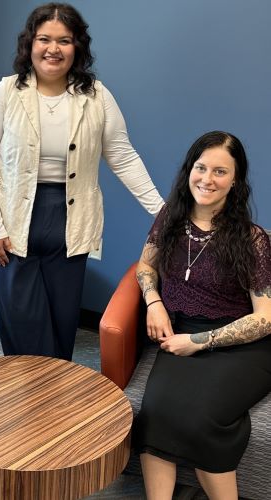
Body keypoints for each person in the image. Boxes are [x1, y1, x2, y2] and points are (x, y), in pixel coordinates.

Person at [0, 2, 164, 360]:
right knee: (23, 323)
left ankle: (57, 403)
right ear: (30, 44)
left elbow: (122, 156)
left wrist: (162, 212)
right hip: (13, 220)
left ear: (78, 47)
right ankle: (26, 398)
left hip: (71, 220)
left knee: (61, 324)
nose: (53, 49)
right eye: (44, 39)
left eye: (65, 40)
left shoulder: (97, 97)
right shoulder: (6, 93)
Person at [134, 130, 271, 499]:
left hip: (242, 345)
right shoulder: (169, 219)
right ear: (189, 169)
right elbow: (145, 267)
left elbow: (265, 318)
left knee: (201, 419)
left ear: (236, 180)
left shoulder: (252, 239)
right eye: (201, 167)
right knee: (156, 412)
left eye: (221, 172)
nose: (207, 179)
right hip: (179, 333)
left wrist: (199, 342)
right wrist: (154, 302)